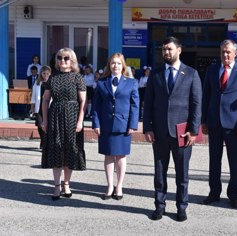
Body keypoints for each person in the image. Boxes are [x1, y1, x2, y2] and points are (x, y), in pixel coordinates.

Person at [143, 36, 202, 222]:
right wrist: (148, 128)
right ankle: (159, 206)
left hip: (182, 133)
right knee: (159, 174)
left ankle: (181, 207)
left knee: (182, 175)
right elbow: (149, 103)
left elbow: (196, 104)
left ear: (179, 50)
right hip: (159, 133)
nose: (166, 52)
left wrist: (193, 131)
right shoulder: (156, 74)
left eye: (169, 49)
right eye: (163, 49)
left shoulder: (191, 74)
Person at [201, 39, 237, 208]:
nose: (225, 55)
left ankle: (233, 194)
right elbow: (205, 96)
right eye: (223, 51)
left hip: (234, 125)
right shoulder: (211, 70)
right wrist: (204, 121)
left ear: (235, 53)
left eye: (228, 52)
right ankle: (214, 193)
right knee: (214, 160)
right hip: (214, 122)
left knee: (234, 161)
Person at [92, 53, 139, 201]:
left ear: (123, 66)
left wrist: (133, 124)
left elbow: (135, 106)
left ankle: (119, 186)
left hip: (123, 126)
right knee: (108, 155)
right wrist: (96, 123)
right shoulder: (101, 83)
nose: (115, 66)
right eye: (113, 63)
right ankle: (109, 185)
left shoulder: (131, 83)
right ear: (109, 65)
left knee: (120, 156)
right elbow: (96, 106)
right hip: (106, 125)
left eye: (118, 63)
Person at [41, 47, 86, 201]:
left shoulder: (77, 77)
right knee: (56, 150)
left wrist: (80, 121)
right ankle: (56, 186)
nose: (62, 60)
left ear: (72, 60)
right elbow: (45, 100)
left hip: (73, 117)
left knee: (70, 151)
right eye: (60, 57)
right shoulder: (52, 78)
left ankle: (67, 183)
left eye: (66, 58)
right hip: (55, 116)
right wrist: (45, 120)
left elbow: (83, 102)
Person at [30, 65, 52, 149]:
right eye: (44, 73)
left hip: (49, 108)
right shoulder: (37, 83)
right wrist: (32, 108)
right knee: (40, 125)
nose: (45, 75)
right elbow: (34, 96)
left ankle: (45, 144)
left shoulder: (52, 82)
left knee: (47, 126)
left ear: (50, 74)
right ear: (41, 74)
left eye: (47, 73)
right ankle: (43, 141)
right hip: (39, 108)